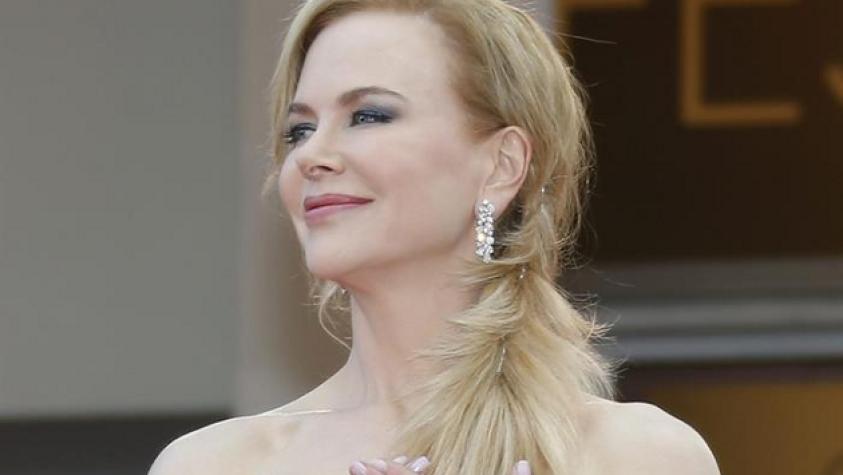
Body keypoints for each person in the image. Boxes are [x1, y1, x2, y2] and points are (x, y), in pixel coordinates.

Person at [150, 0, 722, 474]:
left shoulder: (637, 456)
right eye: (299, 129)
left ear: (501, 165)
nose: (311, 156)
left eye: (369, 116)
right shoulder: (212, 464)